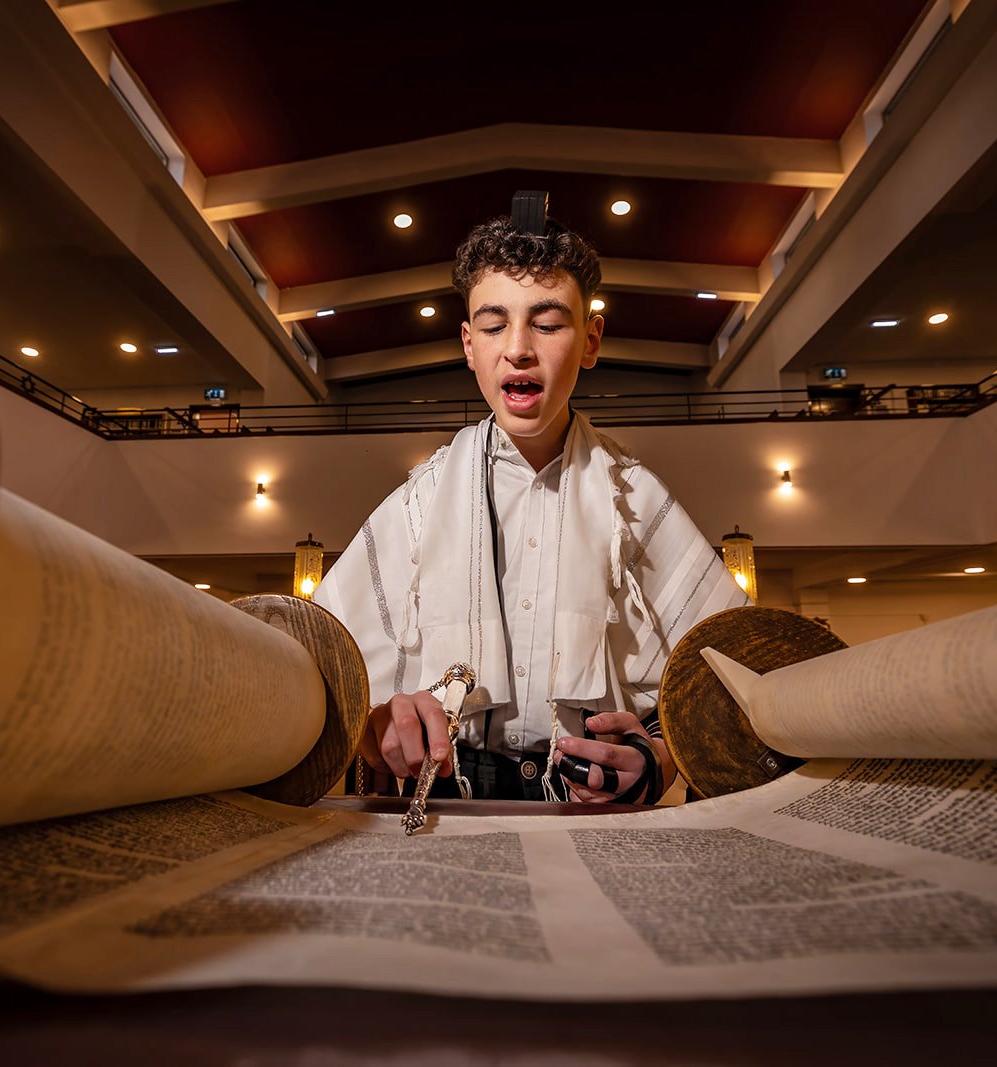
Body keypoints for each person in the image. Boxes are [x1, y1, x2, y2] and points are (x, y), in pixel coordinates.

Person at [313, 207, 746, 804]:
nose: (517, 349)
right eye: (493, 327)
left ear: (590, 339)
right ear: (468, 345)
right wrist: (375, 731)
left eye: (546, 324)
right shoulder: (420, 501)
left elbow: (732, 670)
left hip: (590, 806)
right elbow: (322, 665)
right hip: (446, 797)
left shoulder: (637, 497)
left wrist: (661, 759)